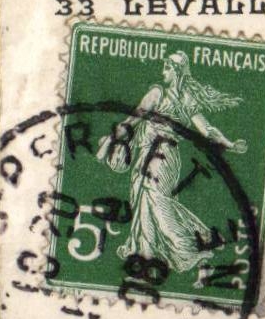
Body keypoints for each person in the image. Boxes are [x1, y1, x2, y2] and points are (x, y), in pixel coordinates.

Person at [97, 50, 247, 274]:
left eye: (167, 67)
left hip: (165, 156)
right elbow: (134, 119)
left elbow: (206, 129)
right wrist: (114, 139)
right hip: (145, 152)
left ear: (176, 71)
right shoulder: (156, 93)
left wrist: (229, 143)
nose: (163, 71)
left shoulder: (186, 99)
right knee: (142, 198)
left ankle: (189, 245)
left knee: (155, 196)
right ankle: (145, 253)